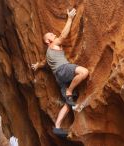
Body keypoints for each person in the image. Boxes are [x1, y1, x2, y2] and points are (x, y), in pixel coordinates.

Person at [31, 8, 89, 137]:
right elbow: (63, 36)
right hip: (64, 69)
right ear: (48, 41)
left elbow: (43, 63)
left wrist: (37, 66)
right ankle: (70, 90)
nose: (54, 35)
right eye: (51, 35)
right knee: (84, 72)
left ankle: (57, 126)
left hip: (59, 77)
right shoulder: (53, 45)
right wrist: (69, 18)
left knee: (68, 104)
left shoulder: (48, 55)